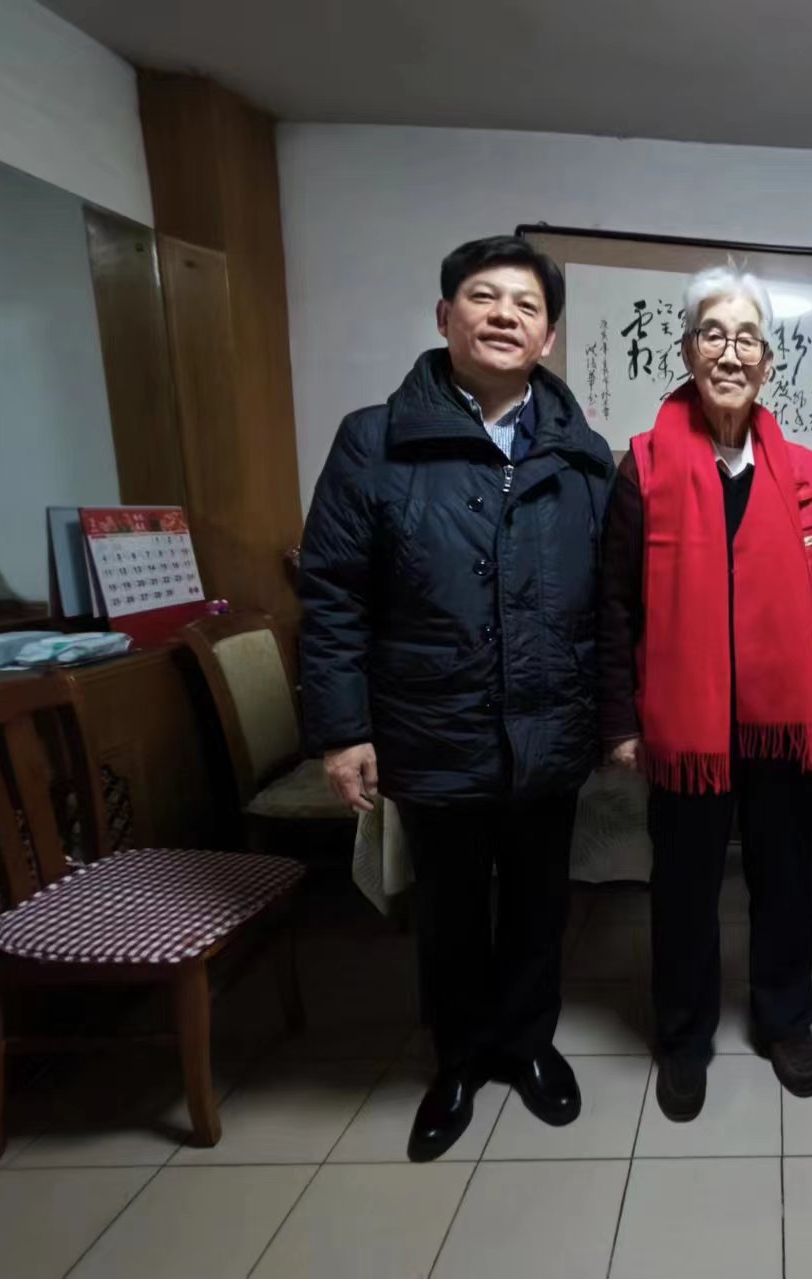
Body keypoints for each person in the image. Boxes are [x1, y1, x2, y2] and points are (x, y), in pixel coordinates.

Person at [300, 235, 615, 1160]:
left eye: (526, 305)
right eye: (483, 297)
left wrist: (614, 718)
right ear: (445, 316)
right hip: (433, 729)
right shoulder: (374, 440)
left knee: (539, 904)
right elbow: (333, 592)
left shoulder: (584, 455)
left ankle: (527, 1045)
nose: (503, 315)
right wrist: (342, 729)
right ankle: (459, 1059)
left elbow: (610, 601)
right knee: (448, 911)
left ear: (548, 337)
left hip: (550, 727)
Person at [598, 265, 812, 1122]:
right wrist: (620, 719)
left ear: (768, 362)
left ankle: (784, 1020)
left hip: (779, 723)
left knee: (785, 879)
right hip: (685, 723)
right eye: (714, 334)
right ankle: (682, 1034)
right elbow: (614, 606)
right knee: (684, 887)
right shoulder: (643, 466)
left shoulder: (803, 472)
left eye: (747, 338)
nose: (730, 353)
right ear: (687, 351)